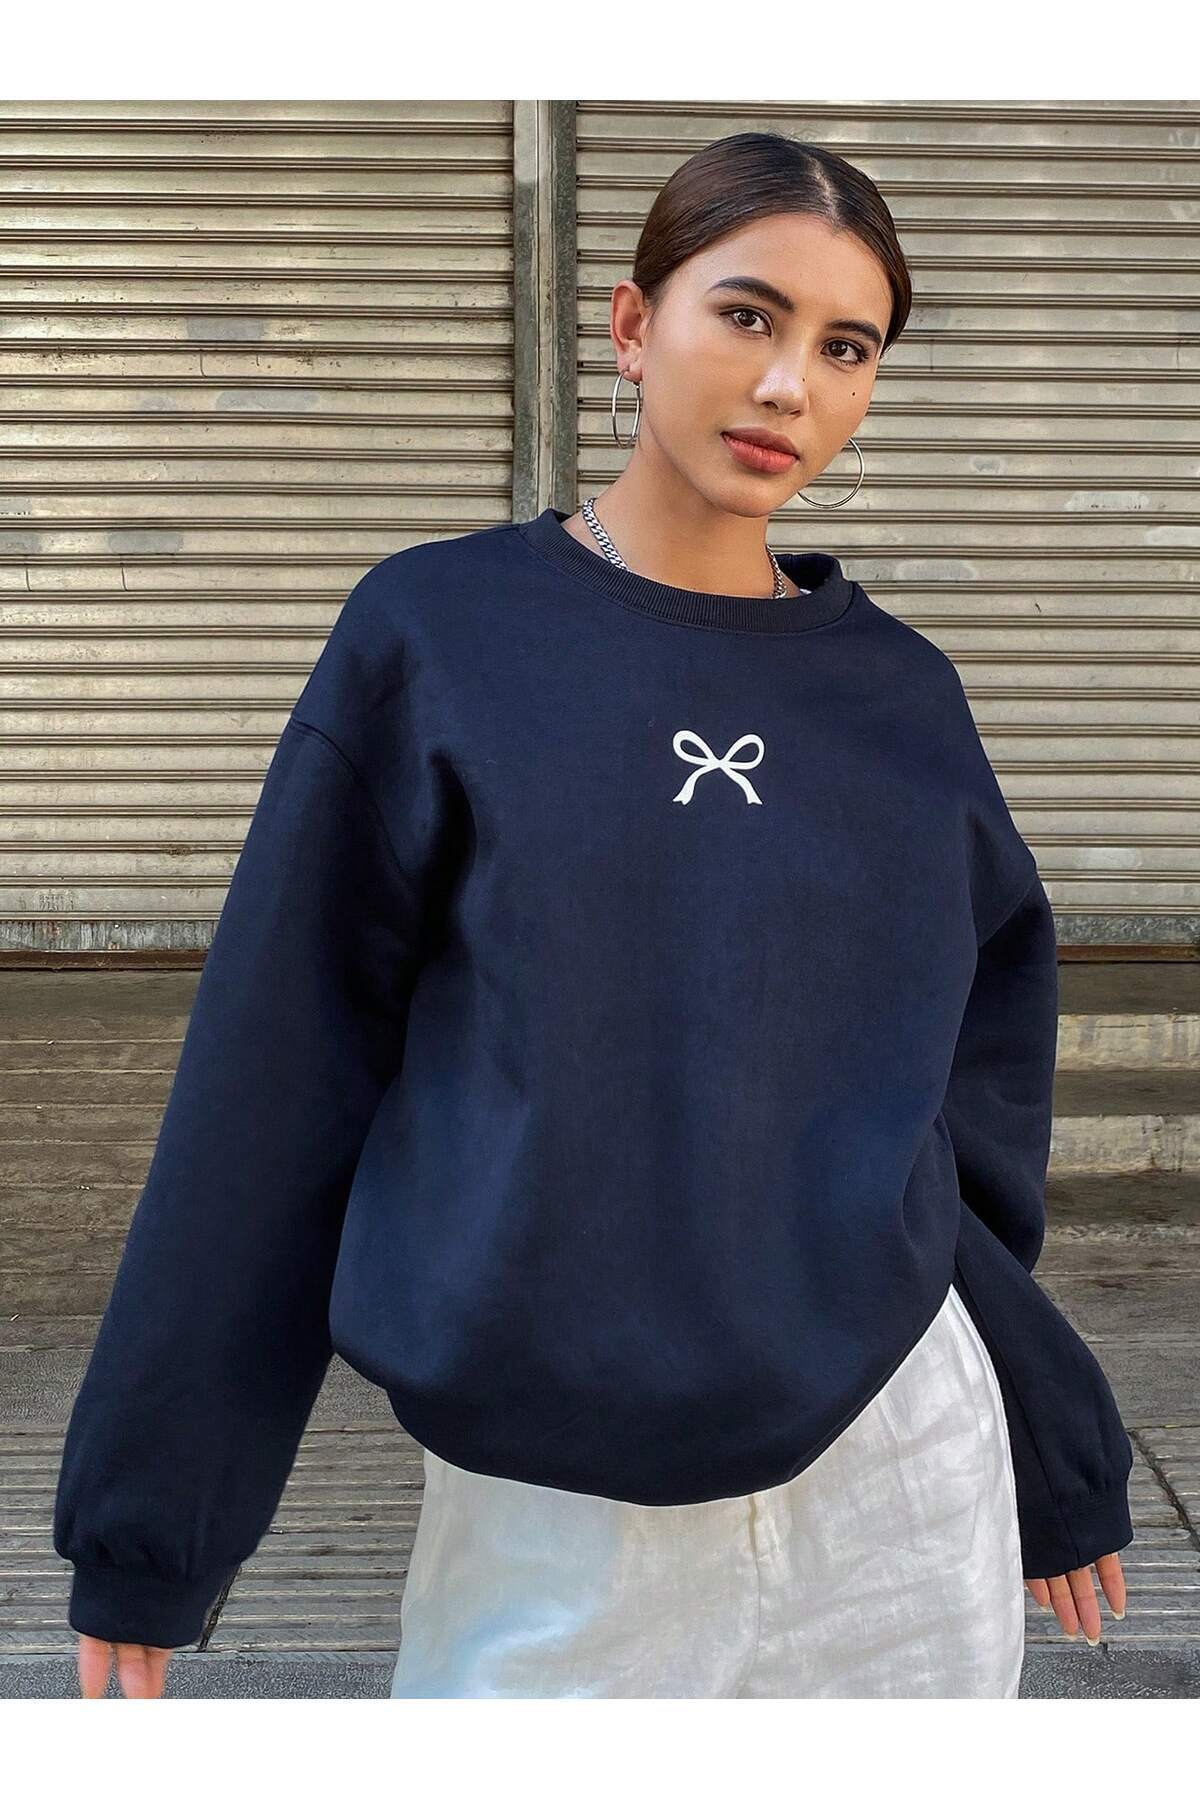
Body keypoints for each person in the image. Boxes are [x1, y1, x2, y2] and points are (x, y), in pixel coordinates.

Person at [55, 131, 1132, 1701]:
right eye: (747, 315)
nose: (789, 385)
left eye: (847, 348)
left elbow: (954, 1129)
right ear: (633, 325)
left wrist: (1045, 1424)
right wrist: (155, 1518)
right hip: (554, 1510)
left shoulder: (903, 700)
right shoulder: (442, 637)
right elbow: (277, 1082)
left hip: (901, 1490)